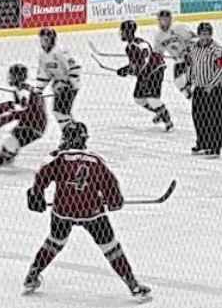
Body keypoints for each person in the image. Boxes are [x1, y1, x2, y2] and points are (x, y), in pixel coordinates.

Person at [22, 122, 150, 298]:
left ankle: (33, 274)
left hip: (63, 210)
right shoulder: (95, 161)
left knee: (54, 241)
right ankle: (132, 284)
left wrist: (36, 196)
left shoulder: (58, 157)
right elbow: (110, 183)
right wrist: (114, 201)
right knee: (110, 247)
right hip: (92, 211)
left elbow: (41, 175)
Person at [0, 63, 47, 171]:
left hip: (34, 125)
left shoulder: (24, 91)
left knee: (11, 140)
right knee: (13, 138)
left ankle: (0, 160)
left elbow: (22, 110)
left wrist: (3, 119)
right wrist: (5, 106)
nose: (10, 78)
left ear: (18, 76)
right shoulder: (23, 89)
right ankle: (7, 158)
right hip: (29, 123)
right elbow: (20, 107)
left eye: (12, 75)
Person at [185, 22, 222, 156]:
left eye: (207, 34)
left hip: (214, 90)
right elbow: (190, 65)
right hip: (199, 88)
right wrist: (189, 80)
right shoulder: (194, 48)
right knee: (198, 117)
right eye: (202, 34)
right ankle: (202, 143)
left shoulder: (217, 50)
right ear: (198, 35)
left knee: (215, 118)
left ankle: (214, 147)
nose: (205, 37)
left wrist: (212, 84)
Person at [117, 20, 172, 130]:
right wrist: (127, 70)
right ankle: (159, 112)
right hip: (146, 73)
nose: (121, 33)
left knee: (151, 97)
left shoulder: (137, 45)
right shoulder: (131, 46)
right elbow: (136, 65)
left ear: (127, 32)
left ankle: (167, 120)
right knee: (139, 98)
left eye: (122, 31)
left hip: (154, 70)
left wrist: (128, 70)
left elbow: (143, 62)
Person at [35, 27, 81, 126]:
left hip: (69, 87)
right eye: (42, 39)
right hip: (58, 87)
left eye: (46, 39)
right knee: (62, 113)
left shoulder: (60, 51)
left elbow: (75, 67)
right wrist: (38, 90)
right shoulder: (42, 55)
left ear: (52, 40)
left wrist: (69, 83)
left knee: (59, 112)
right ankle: (74, 132)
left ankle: (70, 133)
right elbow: (44, 75)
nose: (43, 42)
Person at [153, 9, 197, 97]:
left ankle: (197, 93)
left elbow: (195, 39)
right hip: (179, 60)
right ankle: (192, 98)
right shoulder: (158, 36)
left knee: (192, 80)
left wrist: (188, 51)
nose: (163, 22)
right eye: (161, 19)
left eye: (165, 19)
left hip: (191, 57)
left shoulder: (178, 27)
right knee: (179, 82)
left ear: (170, 19)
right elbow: (158, 52)